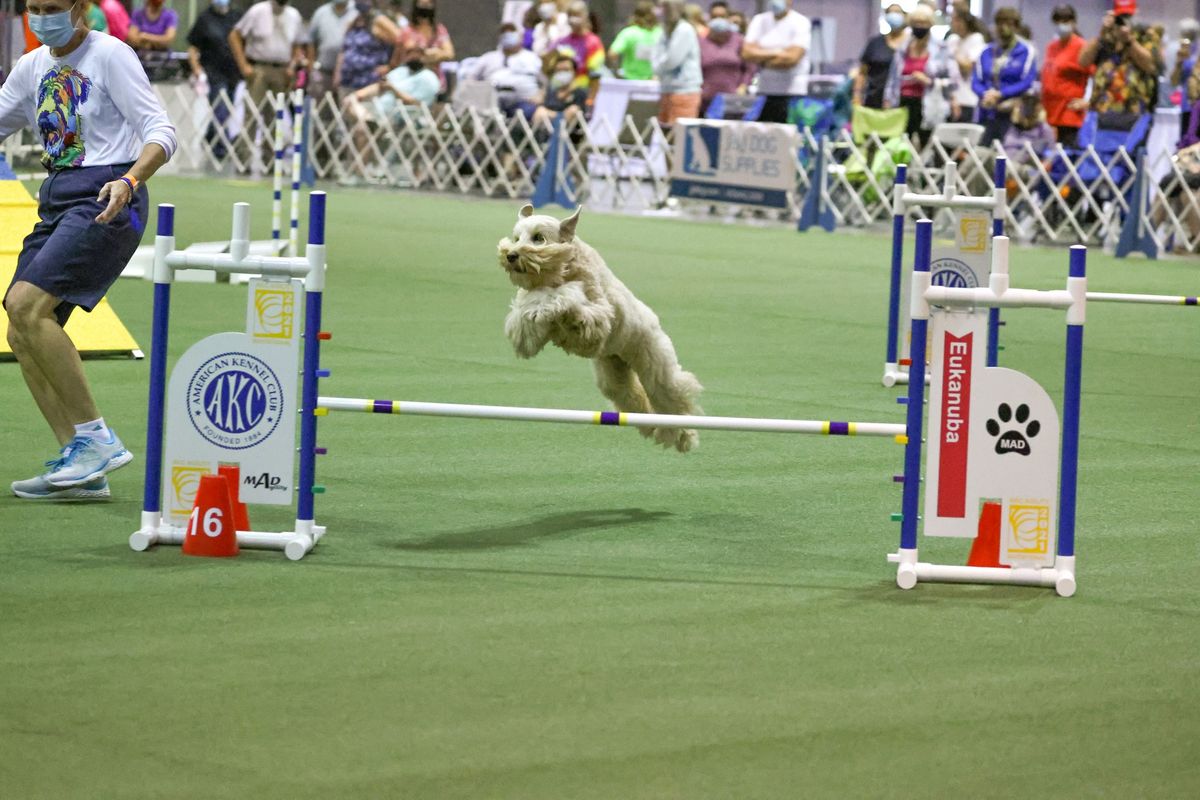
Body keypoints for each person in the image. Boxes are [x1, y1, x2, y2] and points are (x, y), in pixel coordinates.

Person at [0, 0, 176, 500]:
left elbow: (162, 132)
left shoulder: (111, 55)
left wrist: (130, 178)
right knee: (21, 330)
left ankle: (96, 439)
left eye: (53, 7)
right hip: (56, 199)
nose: (41, 16)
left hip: (107, 195)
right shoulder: (31, 66)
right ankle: (80, 463)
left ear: (80, 9)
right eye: (34, 7)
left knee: (25, 306)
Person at [1079, 0, 1163, 118]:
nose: (1124, 21)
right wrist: (1102, 33)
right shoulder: (1106, 35)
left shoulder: (1146, 34)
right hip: (1102, 109)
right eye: (1121, 16)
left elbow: (1150, 66)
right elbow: (1083, 61)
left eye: (1128, 16)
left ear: (1135, 14)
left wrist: (1129, 41)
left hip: (1135, 109)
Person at [883, 3, 949, 147]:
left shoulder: (940, 49)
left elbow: (949, 80)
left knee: (926, 144)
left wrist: (928, 81)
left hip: (927, 104)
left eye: (923, 22)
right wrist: (888, 99)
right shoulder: (903, 49)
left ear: (930, 24)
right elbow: (893, 77)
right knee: (900, 144)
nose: (919, 26)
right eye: (916, 22)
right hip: (903, 102)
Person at [972, 6, 1037, 146]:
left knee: (1005, 156)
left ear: (1017, 26)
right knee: (981, 154)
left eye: (1009, 23)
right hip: (986, 111)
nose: (1003, 28)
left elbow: (1027, 81)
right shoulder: (986, 51)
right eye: (1000, 23)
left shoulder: (1026, 51)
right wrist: (986, 94)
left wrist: (1001, 94)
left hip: (1011, 115)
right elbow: (976, 80)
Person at [186, 0, 242, 160]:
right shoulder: (204, 18)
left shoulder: (237, 16)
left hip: (233, 73)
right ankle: (221, 148)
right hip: (213, 72)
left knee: (226, 110)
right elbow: (192, 46)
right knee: (220, 108)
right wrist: (196, 69)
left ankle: (210, 137)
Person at [741, 0, 811, 124]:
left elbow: (792, 59)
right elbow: (747, 53)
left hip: (791, 92)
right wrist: (779, 52)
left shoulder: (801, 22)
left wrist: (762, 60)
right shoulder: (759, 20)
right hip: (764, 90)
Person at [229, 0, 305, 110]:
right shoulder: (257, 11)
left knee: (276, 114)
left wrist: (292, 67)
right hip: (258, 69)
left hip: (281, 70)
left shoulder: (294, 15)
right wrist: (243, 66)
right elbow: (234, 36)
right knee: (252, 111)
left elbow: (298, 45)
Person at [466, 22, 543, 118]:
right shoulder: (488, 58)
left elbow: (545, 82)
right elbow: (469, 80)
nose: (508, 36)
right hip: (491, 102)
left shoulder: (532, 58)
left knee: (526, 113)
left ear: (520, 37)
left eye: (512, 33)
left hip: (524, 101)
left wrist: (541, 96)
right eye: (505, 34)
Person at [1041, 5, 1092, 147]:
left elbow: (1096, 76)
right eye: (1058, 21)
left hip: (1069, 116)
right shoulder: (1051, 46)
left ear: (1073, 22)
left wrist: (1088, 101)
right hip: (1049, 114)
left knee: (1066, 161)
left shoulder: (1082, 46)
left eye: (1066, 21)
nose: (1061, 25)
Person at [335, 2, 400, 97]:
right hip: (347, 82)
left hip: (367, 84)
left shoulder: (378, 20)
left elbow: (402, 40)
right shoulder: (355, 21)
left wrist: (391, 66)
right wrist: (338, 73)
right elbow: (344, 49)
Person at [549, 1, 604, 109]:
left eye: (576, 15)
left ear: (585, 17)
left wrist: (590, 100)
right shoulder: (561, 41)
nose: (573, 19)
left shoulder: (593, 43)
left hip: (580, 95)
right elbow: (549, 64)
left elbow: (595, 76)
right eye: (570, 15)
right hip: (557, 93)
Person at [654, 0, 701, 126]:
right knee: (666, 134)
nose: (659, 11)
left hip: (684, 91)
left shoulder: (684, 29)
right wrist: (658, 66)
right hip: (667, 89)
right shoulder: (664, 30)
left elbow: (672, 60)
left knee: (679, 137)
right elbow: (655, 56)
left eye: (664, 7)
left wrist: (659, 66)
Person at [855, 4, 906, 110]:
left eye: (897, 12)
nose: (894, 15)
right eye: (891, 13)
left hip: (902, 103)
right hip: (874, 100)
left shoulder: (909, 44)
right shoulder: (875, 43)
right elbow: (862, 73)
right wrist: (857, 96)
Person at [306, 0, 359, 103]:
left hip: (348, 76)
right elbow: (311, 41)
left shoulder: (356, 12)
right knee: (319, 110)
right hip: (323, 71)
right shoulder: (321, 12)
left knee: (345, 113)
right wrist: (311, 68)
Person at [699, 12, 751, 115]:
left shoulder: (738, 40)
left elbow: (749, 67)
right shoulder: (701, 41)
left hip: (733, 99)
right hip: (705, 98)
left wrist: (743, 85)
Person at [944, 6, 988, 122]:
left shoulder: (976, 39)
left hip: (968, 99)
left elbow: (967, 68)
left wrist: (956, 52)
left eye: (955, 19)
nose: (952, 23)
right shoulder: (952, 39)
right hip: (952, 98)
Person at [398, 0, 453, 92]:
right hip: (411, 81)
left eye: (428, 4)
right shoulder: (408, 31)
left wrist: (434, 54)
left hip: (435, 82)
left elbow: (449, 53)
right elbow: (408, 53)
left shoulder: (439, 30)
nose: (425, 8)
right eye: (422, 4)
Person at [532, 48, 588, 128]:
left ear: (574, 72)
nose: (562, 73)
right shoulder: (551, 90)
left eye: (566, 70)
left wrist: (550, 114)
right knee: (539, 111)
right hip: (546, 128)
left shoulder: (580, 92)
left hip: (569, 132)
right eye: (559, 70)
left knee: (572, 110)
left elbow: (572, 113)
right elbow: (542, 108)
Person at [607, 1, 660, 81]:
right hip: (653, 81)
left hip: (630, 81)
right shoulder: (660, 33)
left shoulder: (629, 33)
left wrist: (617, 71)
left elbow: (612, 54)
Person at [127, 0, 178, 77]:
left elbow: (168, 39)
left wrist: (145, 36)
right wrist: (158, 41)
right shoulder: (138, 14)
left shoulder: (170, 15)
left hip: (161, 60)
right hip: (140, 60)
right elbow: (132, 37)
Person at [1171, 19, 1200, 138]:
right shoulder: (1181, 51)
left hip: (1197, 103)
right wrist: (1179, 63)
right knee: (1186, 138)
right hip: (1186, 105)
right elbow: (1173, 81)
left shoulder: (1198, 51)